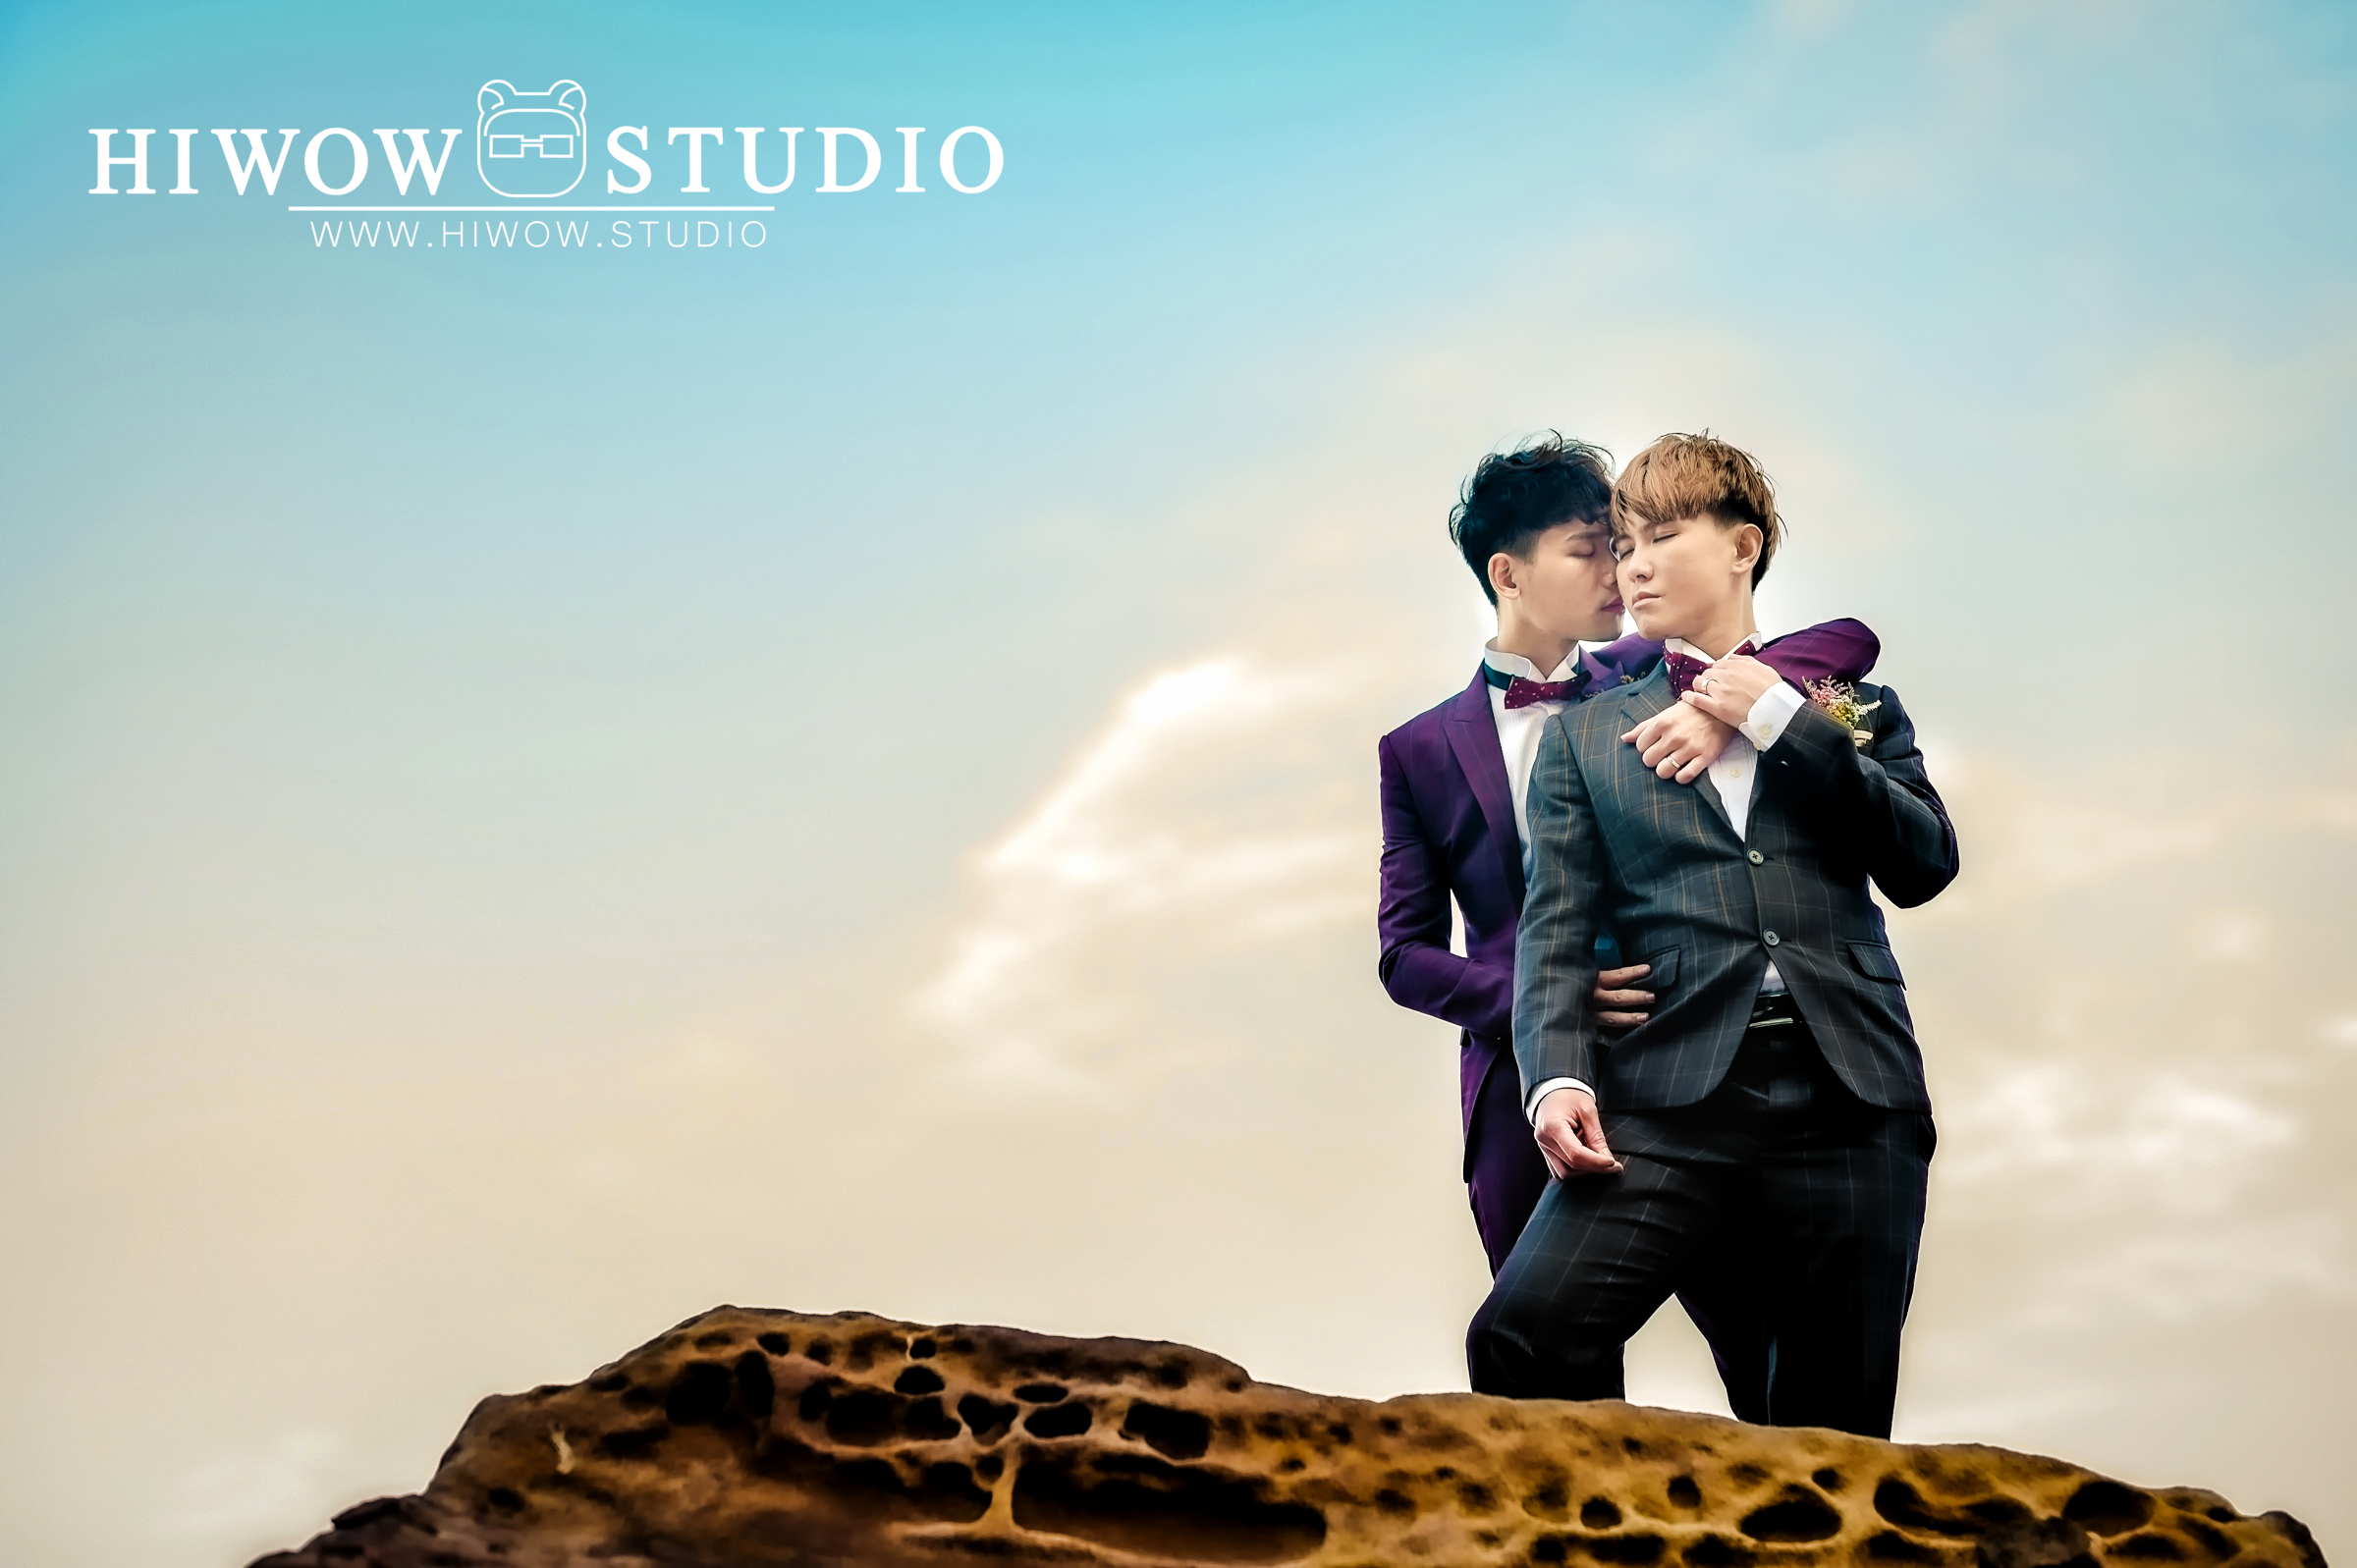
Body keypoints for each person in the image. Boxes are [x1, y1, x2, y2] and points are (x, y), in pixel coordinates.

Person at [1376, 433, 1879, 1418]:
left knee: (1768, 1355)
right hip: (1524, 1086)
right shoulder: (1417, 749)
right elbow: (1404, 952)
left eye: (1624, 545)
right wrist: (1546, 1002)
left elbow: (1846, 642)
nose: (1622, 569)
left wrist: (1728, 708)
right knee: (1549, 1376)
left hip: (1694, 1053)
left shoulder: (1658, 671)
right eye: (1591, 549)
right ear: (1508, 573)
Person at [1466, 431, 1957, 1437]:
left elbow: (1924, 862)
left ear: (1743, 545)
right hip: (1669, 1099)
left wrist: (1778, 718)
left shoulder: (1846, 706)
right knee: (1524, 1332)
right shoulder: (1585, 735)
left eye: (1663, 537)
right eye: (1622, 545)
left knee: (1828, 1427)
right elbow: (1556, 928)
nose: (1634, 566)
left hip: (1851, 1090)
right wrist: (1555, 1077)